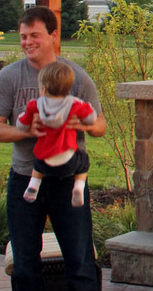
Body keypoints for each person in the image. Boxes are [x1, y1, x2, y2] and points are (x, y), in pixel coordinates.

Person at [0, 6, 106, 291]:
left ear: (54, 36)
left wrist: (83, 124)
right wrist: (25, 130)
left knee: (80, 264)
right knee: (25, 267)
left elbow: (100, 127)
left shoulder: (76, 77)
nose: (27, 42)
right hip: (26, 179)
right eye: (23, 36)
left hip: (68, 182)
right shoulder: (9, 77)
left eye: (34, 36)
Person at [16, 61, 95, 207]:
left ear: (43, 89)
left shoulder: (35, 105)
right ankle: (78, 186)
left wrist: (24, 122)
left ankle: (34, 184)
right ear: (68, 88)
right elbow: (91, 118)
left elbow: (21, 124)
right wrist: (83, 118)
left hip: (45, 160)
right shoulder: (74, 104)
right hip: (68, 159)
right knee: (83, 160)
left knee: (37, 163)